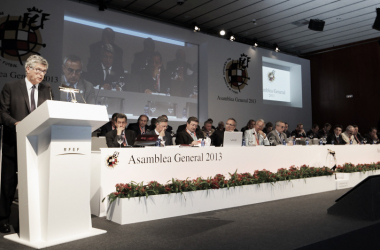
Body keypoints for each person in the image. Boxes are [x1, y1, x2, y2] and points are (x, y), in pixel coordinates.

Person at [0, 55, 53, 234]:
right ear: (27, 69)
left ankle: (30, 220)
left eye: (44, 71)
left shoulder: (47, 89)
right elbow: (2, 113)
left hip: (38, 144)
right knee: (8, 184)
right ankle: (3, 219)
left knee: (33, 184)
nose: (41, 74)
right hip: (13, 144)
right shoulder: (11, 87)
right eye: (38, 70)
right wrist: (17, 124)